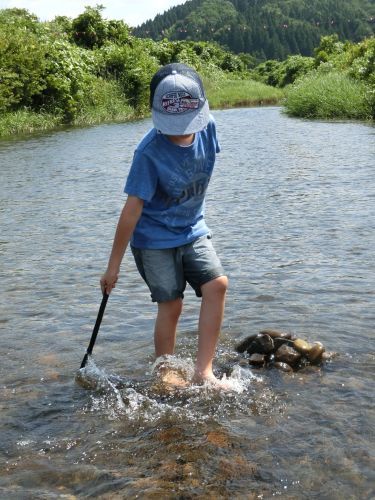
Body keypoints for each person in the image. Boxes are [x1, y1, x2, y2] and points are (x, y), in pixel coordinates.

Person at [100, 63, 228, 387]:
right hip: (153, 238)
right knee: (171, 304)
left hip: (192, 227)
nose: (180, 130)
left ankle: (204, 371)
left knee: (217, 285)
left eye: (187, 123)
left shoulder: (209, 128)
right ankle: (165, 371)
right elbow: (132, 210)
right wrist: (112, 268)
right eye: (172, 125)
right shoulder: (148, 152)